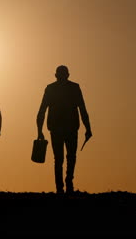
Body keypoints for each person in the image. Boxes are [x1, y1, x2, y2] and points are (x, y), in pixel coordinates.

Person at [37, 65, 92, 194]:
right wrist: (88, 128)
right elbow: (83, 109)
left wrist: (39, 130)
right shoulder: (72, 88)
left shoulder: (53, 89)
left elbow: (42, 111)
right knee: (68, 157)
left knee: (60, 158)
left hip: (62, 128)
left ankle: (62, 187)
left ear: (56, 75)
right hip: (66, 128)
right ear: (67, 75)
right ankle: (66, 185)